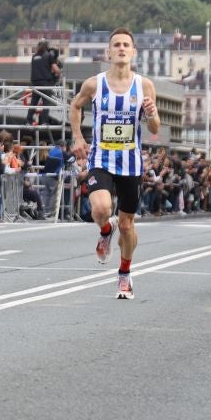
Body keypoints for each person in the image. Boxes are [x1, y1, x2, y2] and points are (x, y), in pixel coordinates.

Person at [69, 27, 160, 299]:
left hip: (131, 164)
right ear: (109, 52)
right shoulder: (94, 84)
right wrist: (77, 137)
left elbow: (154, 127)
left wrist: (152, 113)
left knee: (128, 226)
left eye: (126, 45)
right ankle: (105, 230)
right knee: (101, 208)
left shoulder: (144, 85)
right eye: (116, 45)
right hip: (101, 158)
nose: (121, 48)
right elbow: (75, 106)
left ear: (133, 52)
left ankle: (124, 274)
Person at [26, 39, 62, 126]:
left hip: (35, 83)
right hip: (45, 83)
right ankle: (43, 122)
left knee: (34, 103)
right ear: (47, 47)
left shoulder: (34, 57)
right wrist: (59, 74)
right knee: (46, 102)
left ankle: (28, 121)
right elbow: (55, 68)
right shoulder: (48, 55)